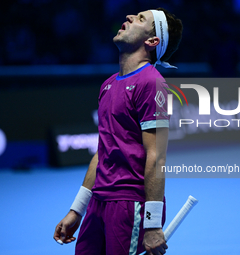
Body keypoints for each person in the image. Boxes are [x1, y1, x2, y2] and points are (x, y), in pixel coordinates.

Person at [53, 7, 183, 255]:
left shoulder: (151, 83)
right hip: (98, 203)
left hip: (129, 206)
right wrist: (77, 210)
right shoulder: (108, 85)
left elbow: (156, 156)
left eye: (140, 18)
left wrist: (153, 223)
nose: (129, 17)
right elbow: (102, 153)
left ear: (152, 41)